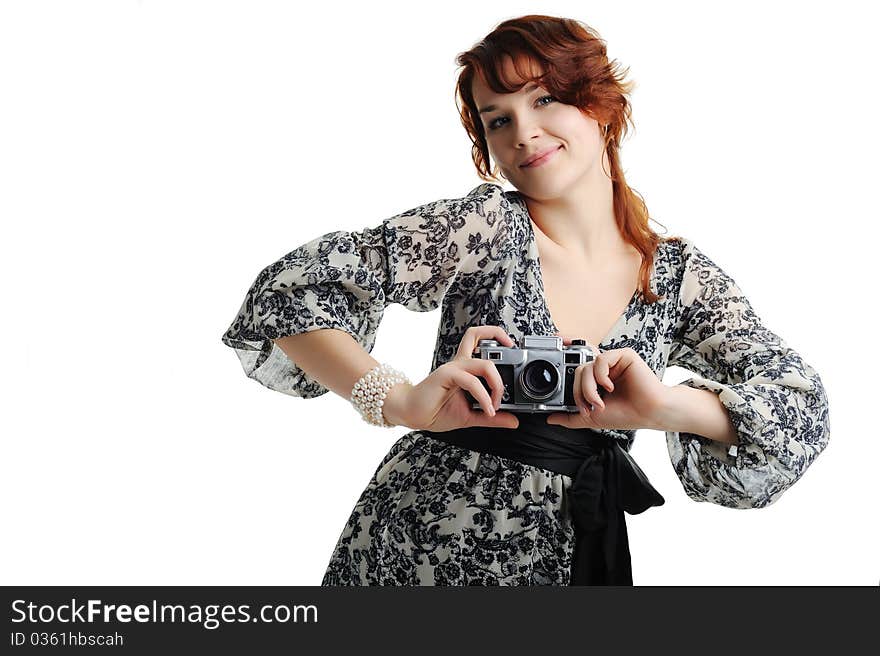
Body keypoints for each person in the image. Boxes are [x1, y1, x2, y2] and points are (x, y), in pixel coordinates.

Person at [220, 15, 830, 585]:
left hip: (577, 548)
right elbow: (289, 293)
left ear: (602, 108)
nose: (523, 132)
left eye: (543, 99)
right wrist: (398, 400)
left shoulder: (676, 277)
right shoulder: (481, 225)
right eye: (498, 119)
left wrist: (664, 406)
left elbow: (799, 412)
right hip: (421, 541)